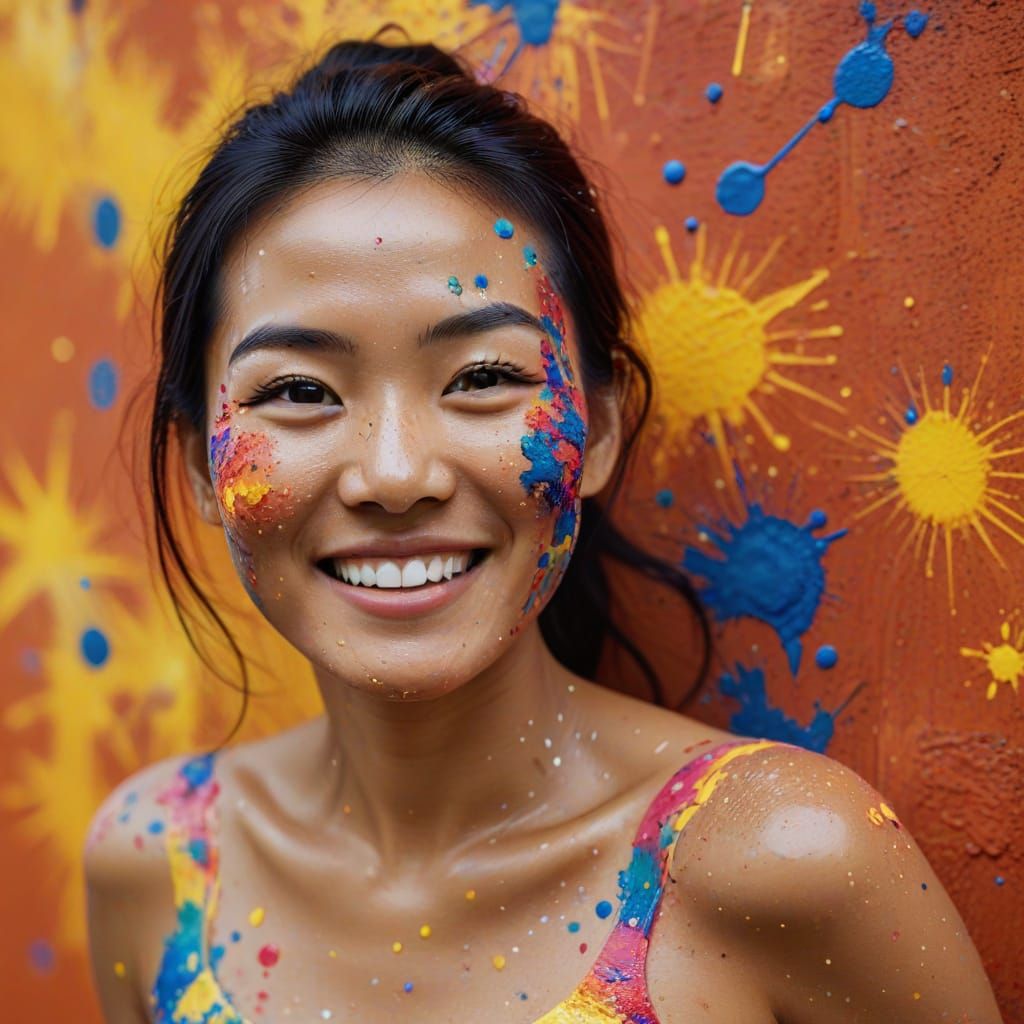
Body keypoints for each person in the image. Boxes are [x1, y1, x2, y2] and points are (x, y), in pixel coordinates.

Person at [83, 34, 1002, 1024]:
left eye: (482, 378)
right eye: (300, 390)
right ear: (200, 466)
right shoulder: (157, 864)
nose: (396, 474)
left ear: (598, 429)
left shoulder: (784, 862)